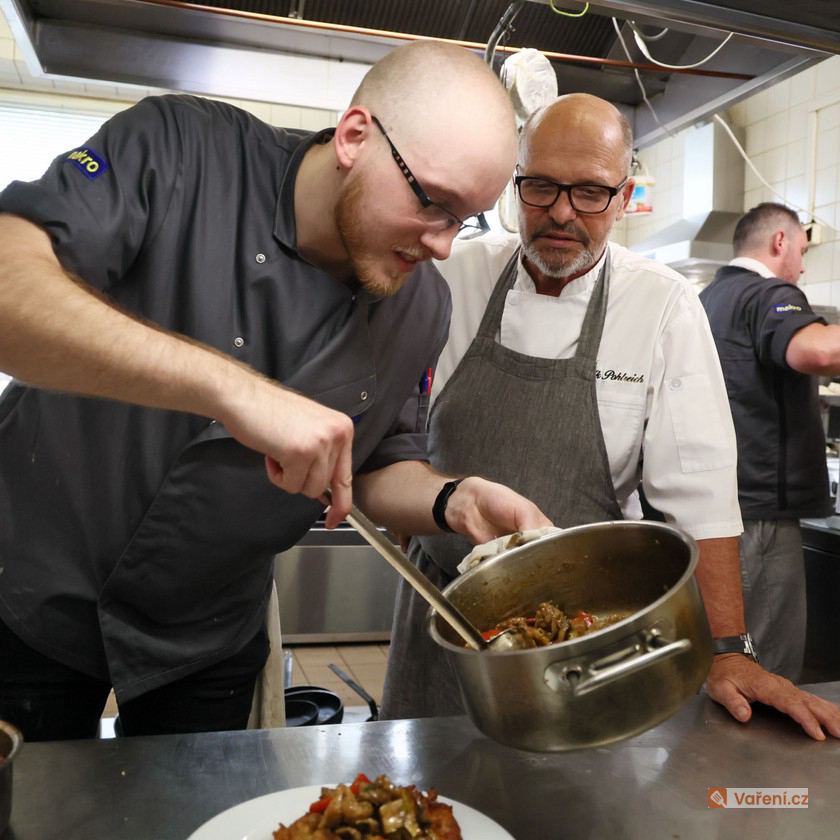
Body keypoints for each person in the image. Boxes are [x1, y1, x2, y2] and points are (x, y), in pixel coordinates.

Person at [0, 40, 552, 742]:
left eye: (466, 219)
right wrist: (235, 390)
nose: (444, 246)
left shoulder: (423, 306)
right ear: (355, 136)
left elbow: (379, 465)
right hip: (27, 586)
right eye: (434, 204)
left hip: (205, 638)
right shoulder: (182, 150)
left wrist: (455, 498)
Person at [381, 94, 840, 741]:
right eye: (540, 187)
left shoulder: (663, 307)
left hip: (582, 640)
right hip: (444, 623)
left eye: (592, 192)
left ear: (625, 197)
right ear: (514, 184)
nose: (563, 212)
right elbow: (391, 437)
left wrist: (731, 648)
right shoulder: (450, 277)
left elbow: (701, 501)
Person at [700, 202, 839, 682]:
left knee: (720, 667)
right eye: (802, 251)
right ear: (780, 241)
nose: (801, 265)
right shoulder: (770, 293)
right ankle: (753, 761)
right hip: (758, 517)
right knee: (765, 671)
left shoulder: (709, 299)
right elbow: (817, 349)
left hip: (712, 513)